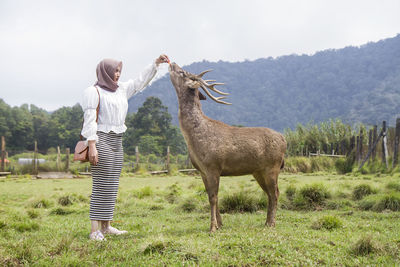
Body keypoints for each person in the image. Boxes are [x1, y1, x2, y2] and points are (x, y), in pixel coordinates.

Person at [81, 55, 169, 241]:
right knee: (101, 185)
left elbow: (139, 82)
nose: (118, 74)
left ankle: (107, 226)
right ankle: (94, 230)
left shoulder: (121, 90)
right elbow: (89, 120)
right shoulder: (93, 91)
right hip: (101, 139)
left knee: (112, 184)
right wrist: (92, 145)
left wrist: (155, 64)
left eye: (119, 71)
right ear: (105, 72)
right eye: (114, 71)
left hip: (117, 140)